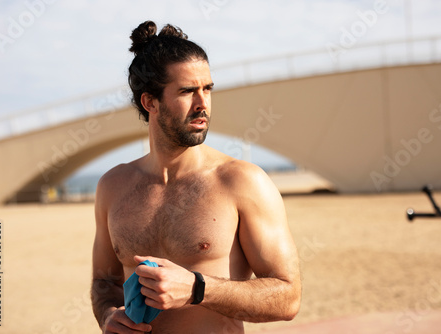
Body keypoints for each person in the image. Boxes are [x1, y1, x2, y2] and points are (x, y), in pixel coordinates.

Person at [91, 20, 301, 334]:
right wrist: (108, 315)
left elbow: (288, 297)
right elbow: (104, 281)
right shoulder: (112, 186)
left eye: (208, 89)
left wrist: (197, 289)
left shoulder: (241, 181)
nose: (203, 103)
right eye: (188, 91)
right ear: (151, 102)